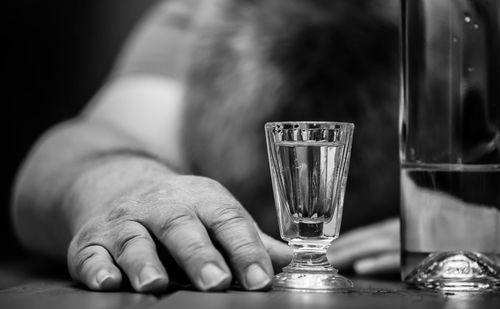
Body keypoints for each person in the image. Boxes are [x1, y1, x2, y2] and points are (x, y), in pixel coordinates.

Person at [12, 0, 400, 293]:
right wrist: (129, 187)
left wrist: (454, 234)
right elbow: (73, 151)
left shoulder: (454, 26)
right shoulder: (199, 13)